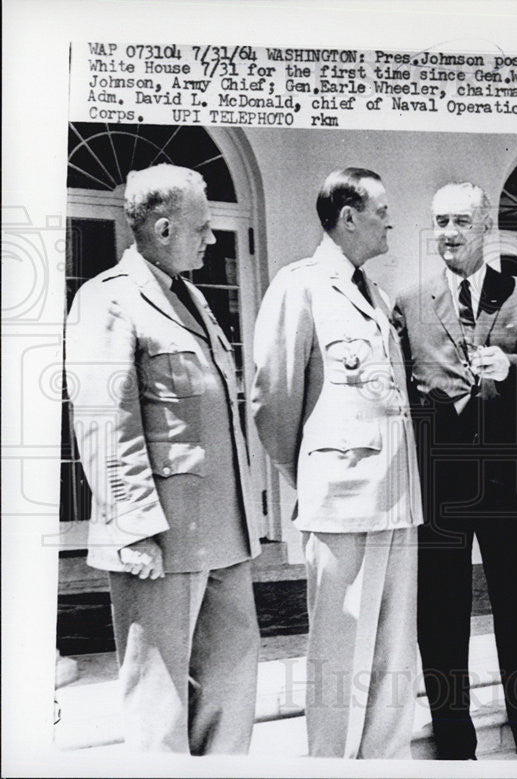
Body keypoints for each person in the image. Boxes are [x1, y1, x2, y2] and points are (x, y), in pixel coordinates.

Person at [392, 182, 517, 762]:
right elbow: (403, 392)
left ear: (485, 229)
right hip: (441, 482)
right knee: (442, 611)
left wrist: (515, 364)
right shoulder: (409, 302)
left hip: (508, 479)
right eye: (440, 221)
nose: (449, 232)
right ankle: (454, 733)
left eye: (460, 221)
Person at [65, 164, 261, 753]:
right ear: (165, 227)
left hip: (225, 532)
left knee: (231, 686)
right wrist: (135, 528)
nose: (212, 239)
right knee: (159, 698)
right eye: (203, 228)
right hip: (161, 537)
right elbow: (105, 422)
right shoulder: (110, 300)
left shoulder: (192, 298)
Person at [251, 168, 422, 758]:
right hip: (343, 498)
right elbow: (272, 399)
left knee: (394, 650)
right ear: (348, 217)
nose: (389, 222)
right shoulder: (299, 285)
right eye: (381, 211)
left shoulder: (375, 294)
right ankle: (331, 766)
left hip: (399, 497)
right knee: (340, 649)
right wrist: (314, 473)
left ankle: (384, 761)